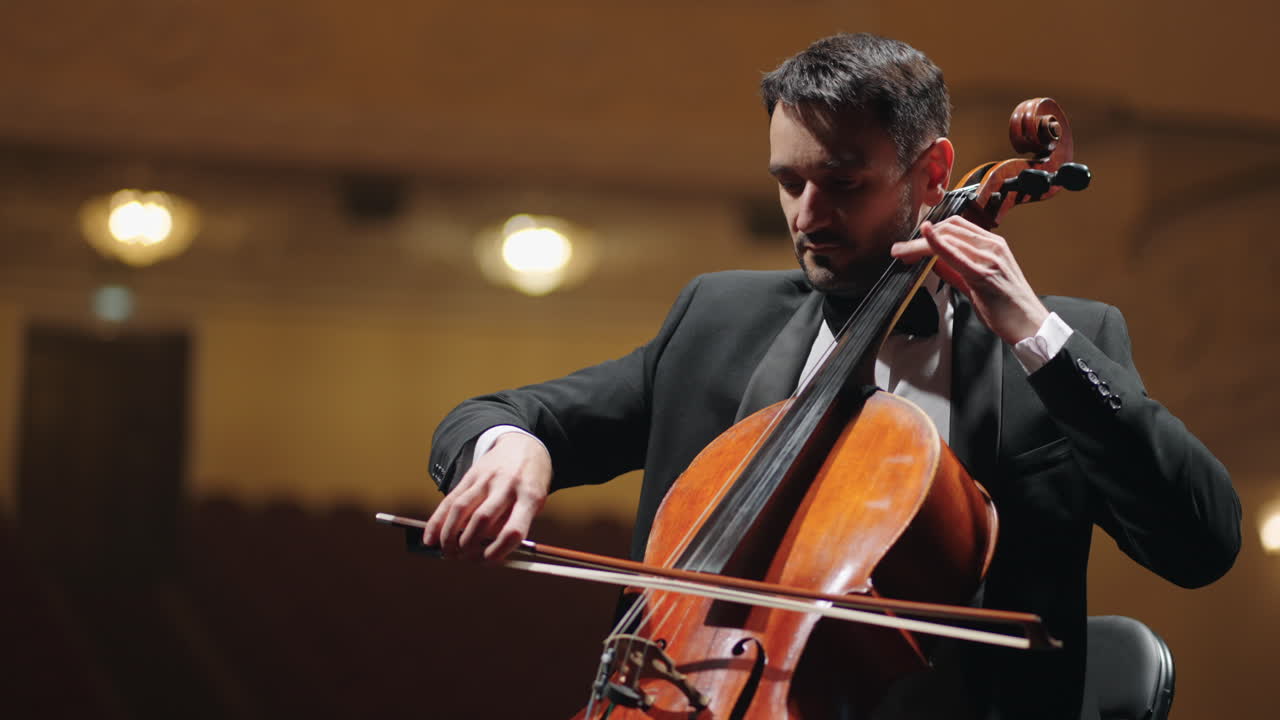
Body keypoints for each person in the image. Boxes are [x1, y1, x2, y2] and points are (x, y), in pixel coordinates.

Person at [422, 33, 1241, 719]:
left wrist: (1036, 335)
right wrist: (511, 446)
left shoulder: (1065, 344)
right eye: (789, 182)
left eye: (843, 183)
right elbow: (503, 413)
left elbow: (1200, 543)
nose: (807, 215)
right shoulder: (717, 322)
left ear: (933, 173)